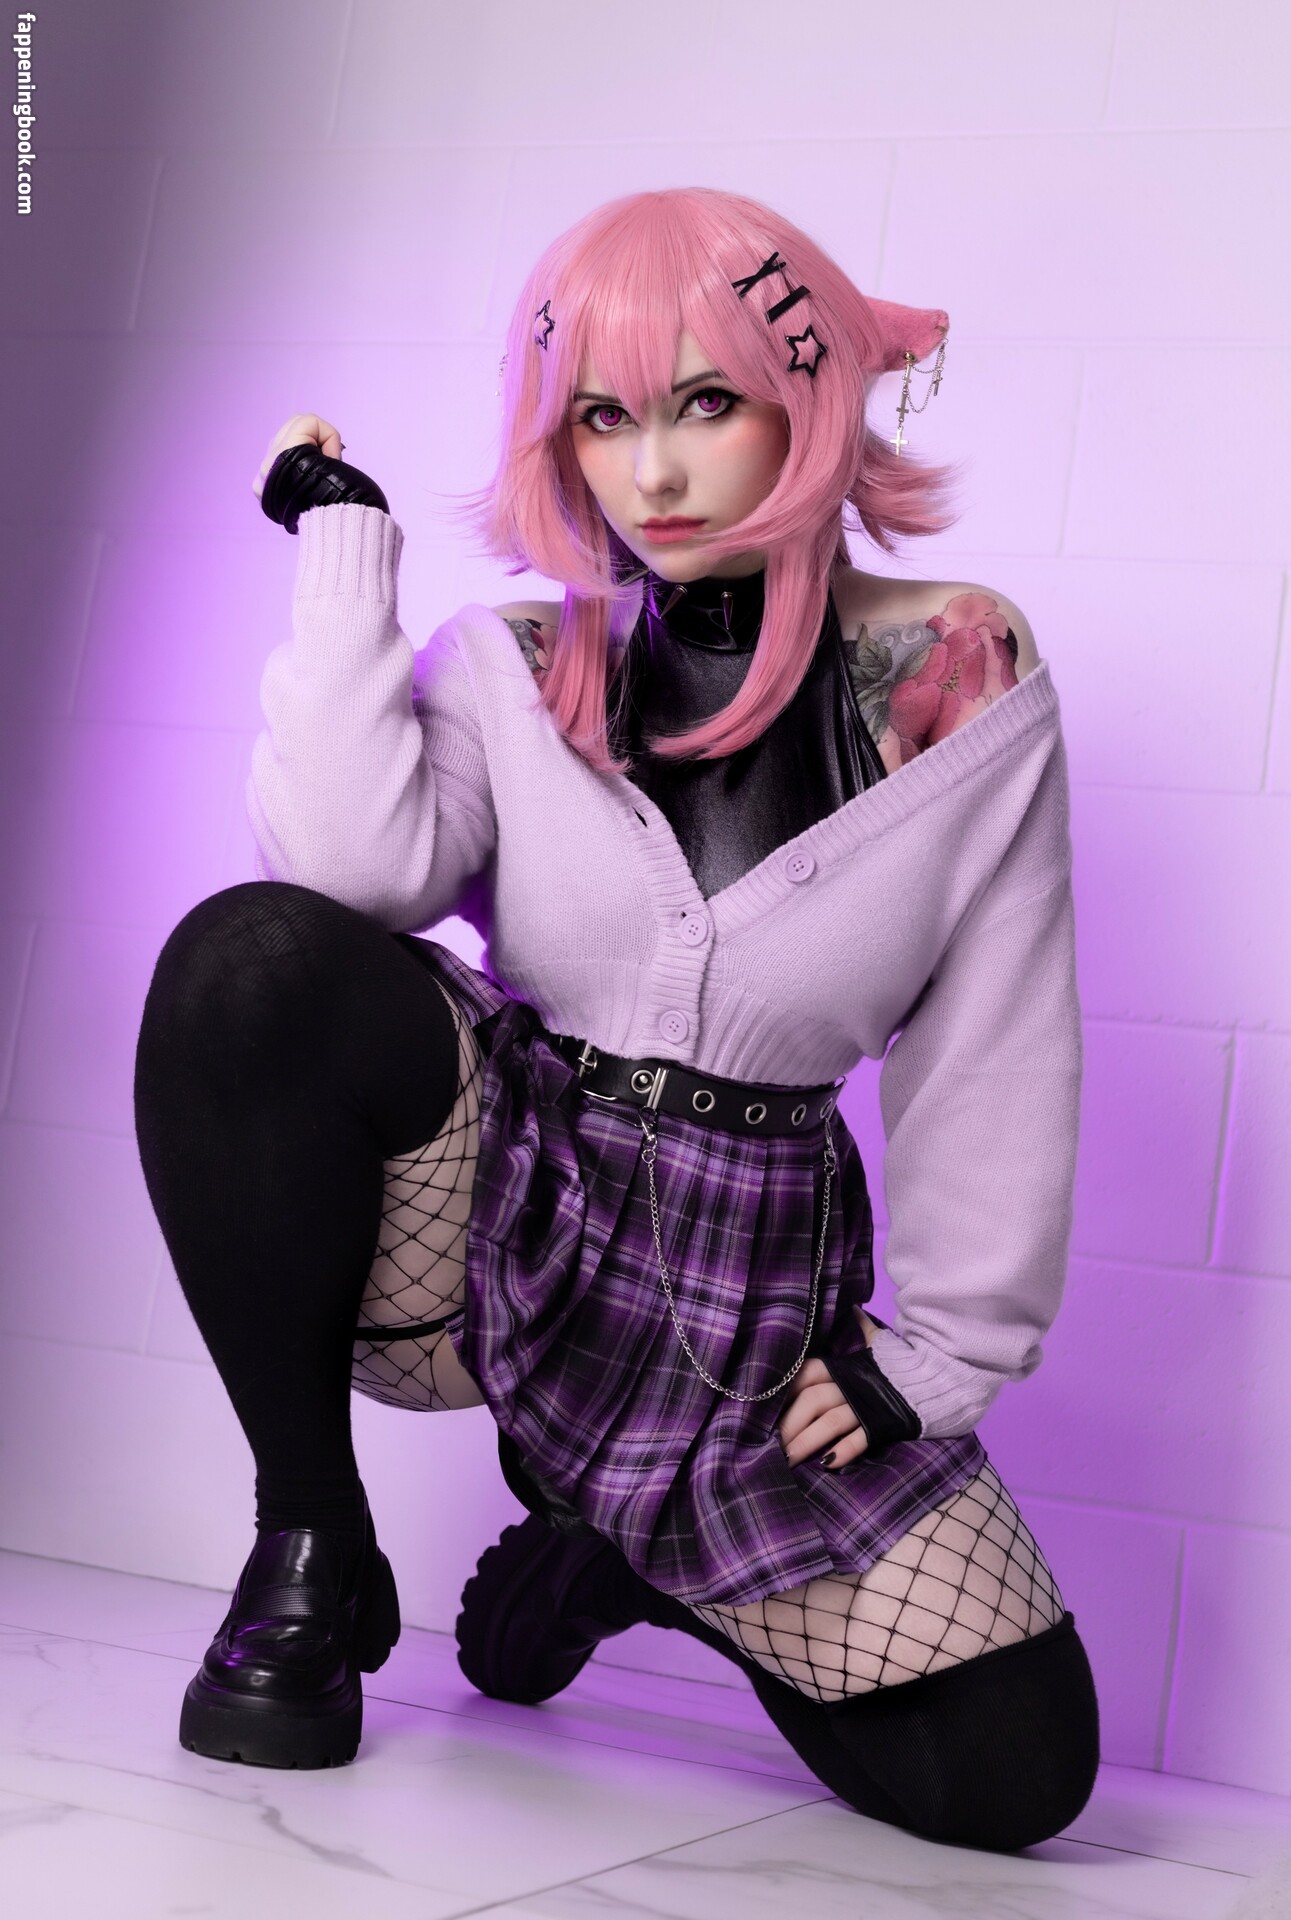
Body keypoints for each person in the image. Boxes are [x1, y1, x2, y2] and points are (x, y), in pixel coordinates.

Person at [132, 186, 1098, 1850]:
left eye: (705, 403)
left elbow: (997, 1034)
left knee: (1017, 1772)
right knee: (248, 960)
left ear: (807, 397)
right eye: (601, 418)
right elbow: (347, 874)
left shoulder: (960, 670)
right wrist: (344, 555)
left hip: (753, 1302)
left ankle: (630, 1559)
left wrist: (937, 1356)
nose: (650, 472)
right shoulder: (518, 665)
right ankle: (311, 1542)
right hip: (503, 1220)